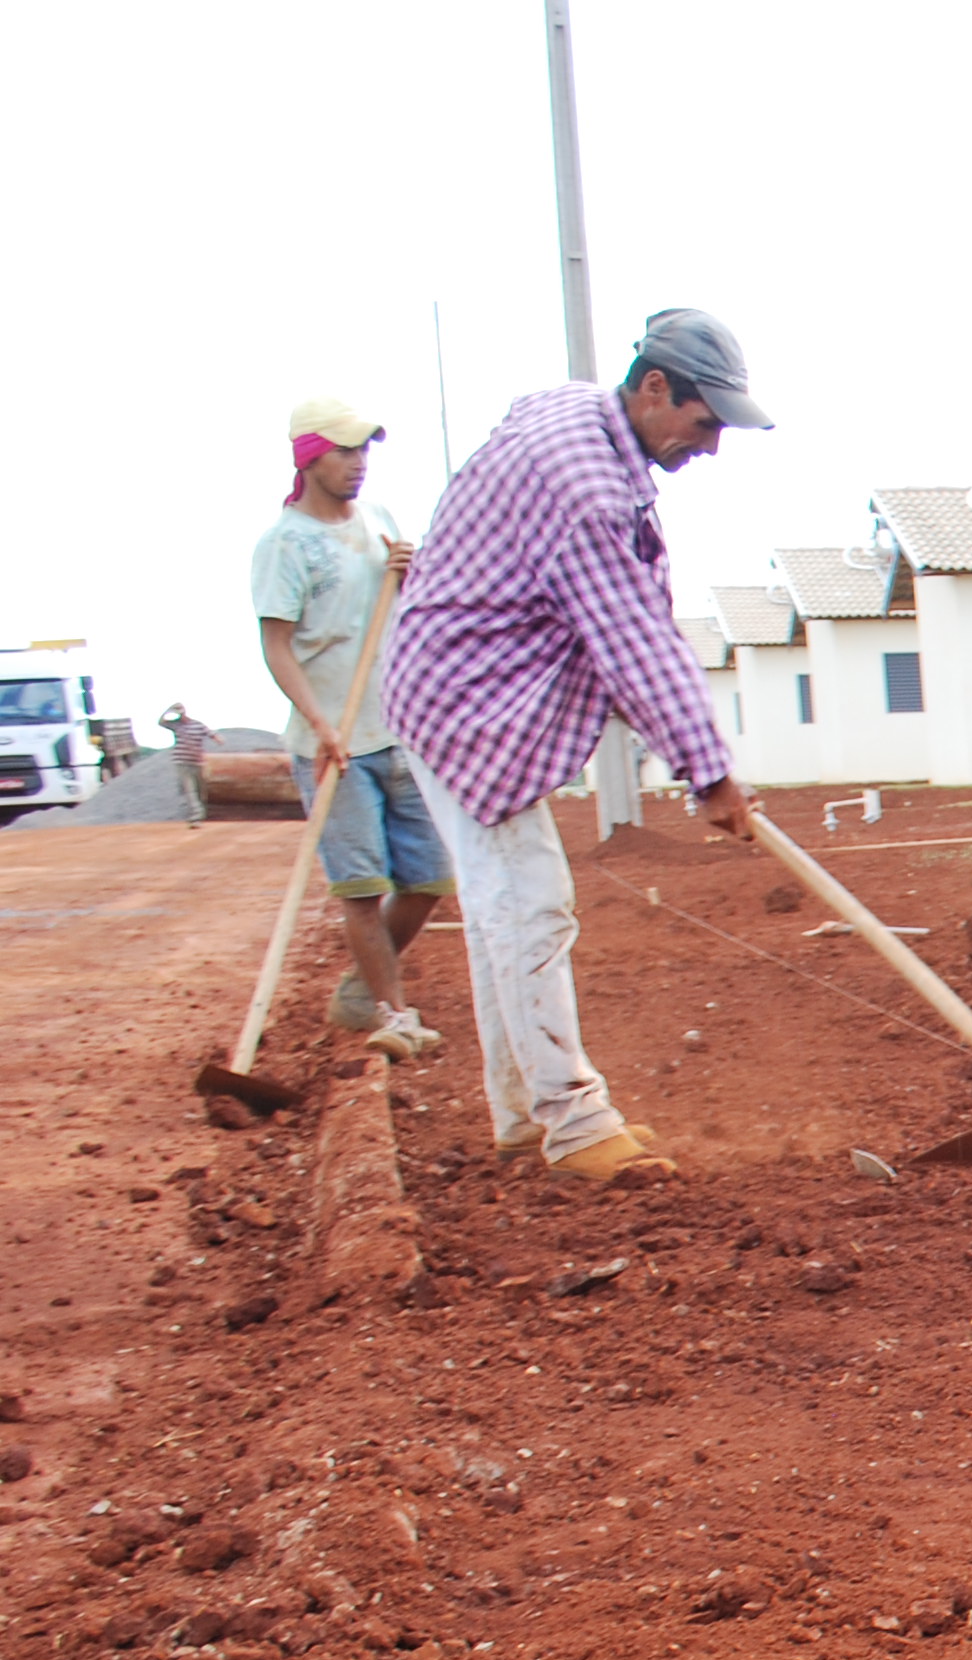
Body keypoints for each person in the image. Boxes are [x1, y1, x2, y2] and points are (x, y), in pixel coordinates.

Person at [382, 309, 767, 1185]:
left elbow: (621, 617)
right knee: (530, 904)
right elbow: (633, 636)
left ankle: (523, 1117)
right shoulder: (586, 487)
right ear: (655, 387)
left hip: (458, 684)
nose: (710, 448)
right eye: (706, 424)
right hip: (466, 705)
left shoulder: (571, 410)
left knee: (501, 910)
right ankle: (574, 1122)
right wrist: (708, 773)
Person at [252, 397, 448, 1063]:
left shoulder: (379, 523)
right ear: (308, 458)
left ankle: (361, 989)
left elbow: (403, 613)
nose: (358, 464)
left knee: (428, 877)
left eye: (364, 451)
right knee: (361, 887)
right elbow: (277, 647)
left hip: (394, 732)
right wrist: (317, 722)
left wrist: (406, 576)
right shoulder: (283, 546)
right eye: (343, 451)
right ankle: (392, 1011)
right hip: (330, 744)